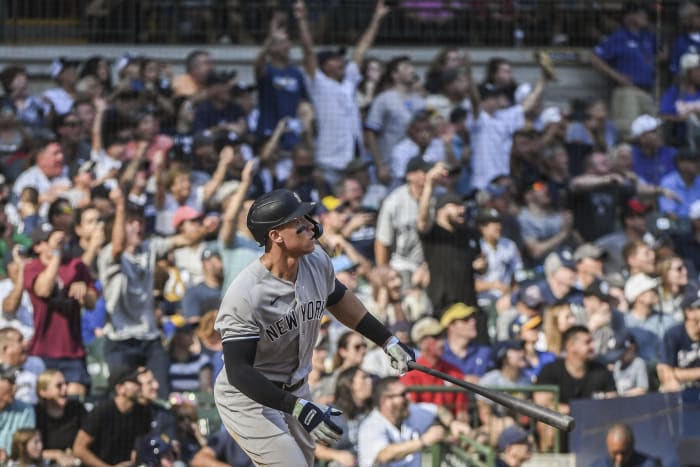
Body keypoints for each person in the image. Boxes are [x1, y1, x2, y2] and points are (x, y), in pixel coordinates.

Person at [213, 189, 415, 466]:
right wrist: (295, 407)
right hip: (251, 398)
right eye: (299, 220)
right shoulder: (246, 294)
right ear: (276, 236)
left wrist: (387, 340)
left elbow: (338, 298)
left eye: (307, 217)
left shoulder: (316, 260)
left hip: (296, 388)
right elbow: (238, 371)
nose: (310, 225)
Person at [296, 0, 388, 185]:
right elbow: (308, 53)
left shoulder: (349, 82)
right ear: (324, 66)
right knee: (329, 206)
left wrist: (376, 19)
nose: (341, 62)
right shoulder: (318, 83)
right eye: (334, 59)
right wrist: (302, 21)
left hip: (354, 159)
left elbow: (361, 51)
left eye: (340, 59)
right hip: (330, 159)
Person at [24, 223, 96, 397]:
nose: (57, 244)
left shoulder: (76, 265)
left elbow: (92, 302)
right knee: (42, 404)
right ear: (38, 246)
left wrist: (85, 292)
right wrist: (56, 255)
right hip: (41, 350)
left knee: (75, 399)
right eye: (50, 240)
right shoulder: (31, 267)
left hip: (72, 349)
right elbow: (44, 290)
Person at [535, 325, 616, 451]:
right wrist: (575, 410)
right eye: (587, 342)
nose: (592, 346)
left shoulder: (601, 370)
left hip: (594, 424)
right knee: (547, 424)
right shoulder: (550, 370)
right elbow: (542, 405)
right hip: (563, 424)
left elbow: (612, 402)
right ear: (571, 346)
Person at [357, 376, 470, 467]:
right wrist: (423, 441)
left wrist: (452, 423)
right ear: (385, 401)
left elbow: (438, 410)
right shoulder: (370, 425)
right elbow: (384, 455)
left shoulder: (410, 412)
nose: (408, 397)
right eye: (403, 394)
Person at [72, 367, 152, 467]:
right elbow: (79, 449)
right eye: (135, 382)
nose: (140, 386)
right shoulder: (102, 411)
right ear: (120, 389)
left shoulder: (142, 413)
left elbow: (138, 449)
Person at [401, 317, 469, 420]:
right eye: (436, 337)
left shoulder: (455, 371)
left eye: (442, 336)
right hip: (423, 430)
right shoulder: (410, 374)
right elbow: (412, 412)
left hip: (453, 430)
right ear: (421, 342)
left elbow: (462, 412)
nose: (442, 342)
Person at [34, 370, 84, 466]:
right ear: (43, 392)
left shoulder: (77, 409)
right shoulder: (36, 414)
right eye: (59, 385)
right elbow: (27, 450)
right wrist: (56, 454)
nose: (65, 388)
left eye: (66, 384)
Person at [657, 289, 700, 391]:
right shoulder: (673, 334)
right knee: (670, 385)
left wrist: (678, 373)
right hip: (681, 389)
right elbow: (666, 373)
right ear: (688, 312)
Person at [590, 423, 661, 467]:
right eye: (615, 453)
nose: (619, 458)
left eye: (624, 453)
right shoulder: (598, 465)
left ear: (631, 446)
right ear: (608, 447)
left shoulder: (649, 465)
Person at [0, 374, 35, 456]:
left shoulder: (26, 410)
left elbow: (26, 443)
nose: (15, 387)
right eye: (9, 381)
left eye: (13, 382)